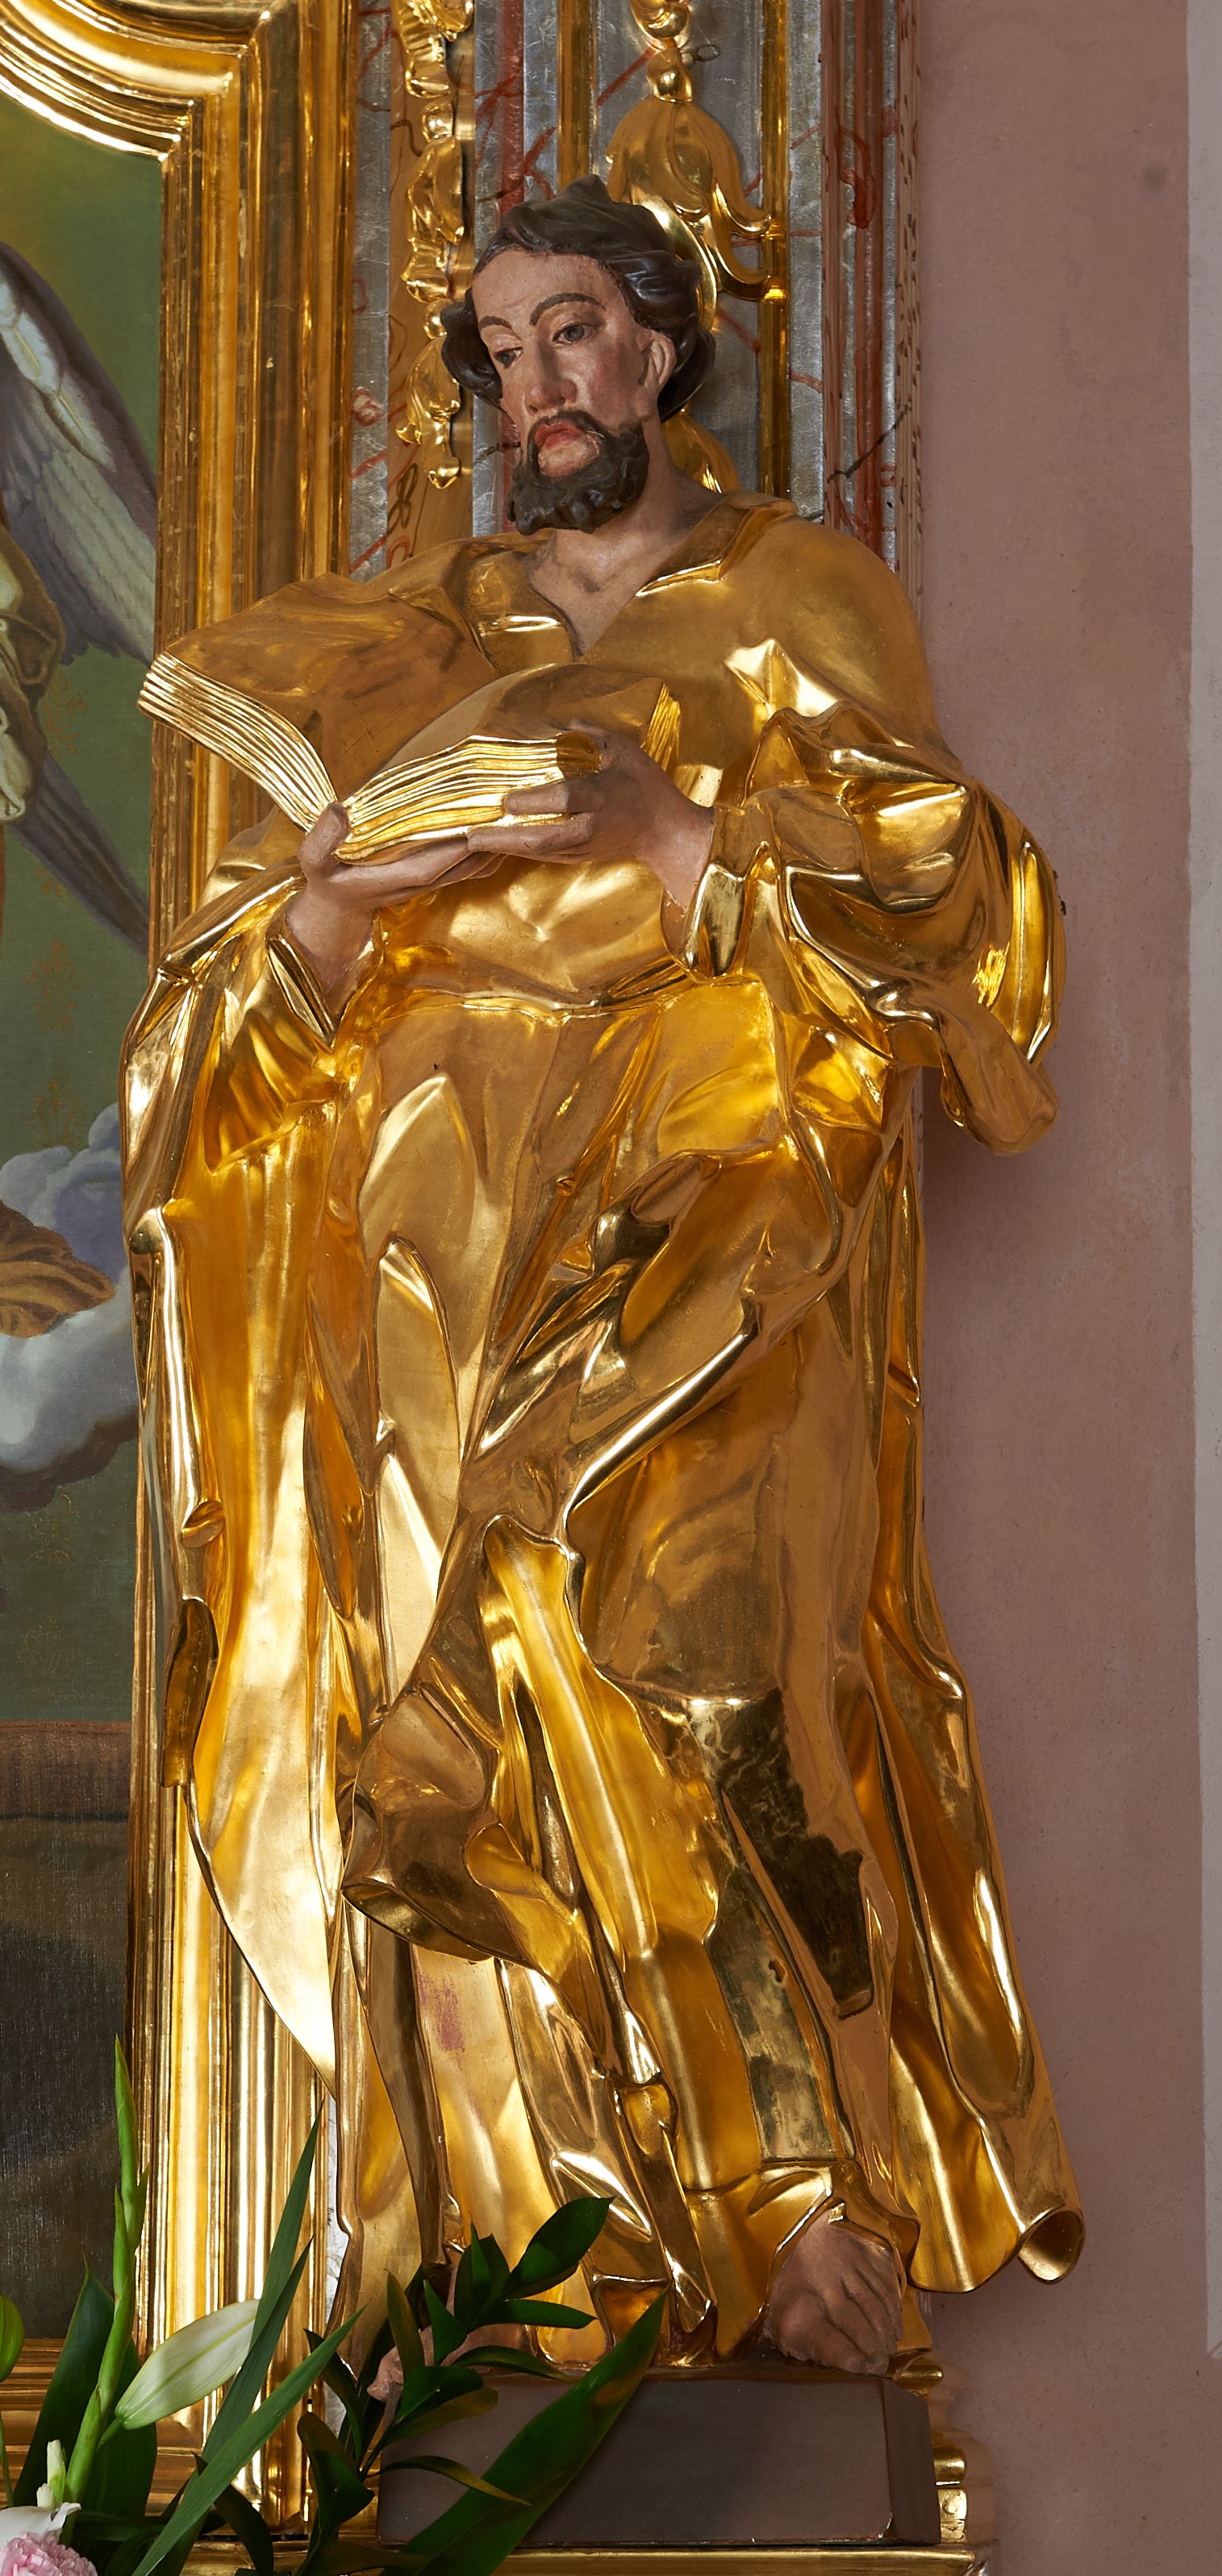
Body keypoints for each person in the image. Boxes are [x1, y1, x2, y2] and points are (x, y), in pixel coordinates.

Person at [124, 177, 1081, 2378]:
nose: (536, 385)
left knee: (700, 1665)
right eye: (499, 350)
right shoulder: (406, 636)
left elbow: (957, 909)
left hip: (716, 1196)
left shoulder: (795, 597)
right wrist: (351, 896)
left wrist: (674, 837)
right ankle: (531, 2259)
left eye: (571, 331)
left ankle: (799, 2198)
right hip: (432, 1242)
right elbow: (203, 1044)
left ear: (661, 346)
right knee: (429, 1740)